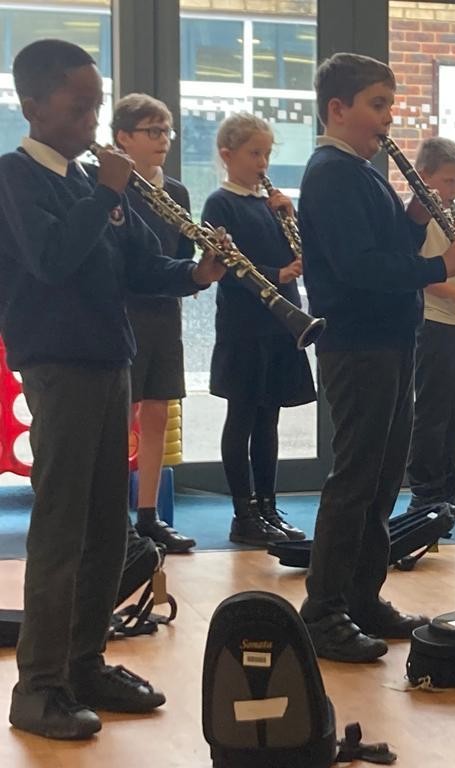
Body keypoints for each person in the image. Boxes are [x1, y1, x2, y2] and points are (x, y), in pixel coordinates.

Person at [0, 39, 224, 740]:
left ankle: (85, 664)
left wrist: (196, 272)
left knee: (107, 528)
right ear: (33, 107)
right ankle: (38, 688)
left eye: (96, 106)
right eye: (79, 107)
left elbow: (139, 269)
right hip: (59, 368)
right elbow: (52, 259)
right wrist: (106, 193)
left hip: (110, 362)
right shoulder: (16, 177)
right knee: (62, 529)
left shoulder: (87, 181)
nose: (92, 120)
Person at [297, 52, 455, 662]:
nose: (388, 117)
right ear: (337, 108)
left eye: (390, 105)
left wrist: (415, 217)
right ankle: (323, 611)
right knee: (355, 480)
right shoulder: (332, 173)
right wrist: (440, 265)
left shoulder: (360, 171)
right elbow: (360, 268)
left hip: (389, 341)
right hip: (358, 344)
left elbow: (386, 245)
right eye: (377, 105)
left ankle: (362, 596)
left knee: (381, 479)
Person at [202, 112, 317, 545]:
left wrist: (291, 217)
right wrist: (277, 274)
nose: (263, 163)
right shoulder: (220, 203)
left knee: (269, 418)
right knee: (242, 416)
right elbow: (228, 266)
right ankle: (243, 512)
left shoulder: (270, 205)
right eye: (254, 153)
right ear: (227, 155)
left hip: (279, 325)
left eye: (267, 153)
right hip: (244, 327)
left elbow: (301, 252)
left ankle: (268, 505)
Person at [111, 92, 197, 553]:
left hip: (165, 311)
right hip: (125, 312)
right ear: (123, 137)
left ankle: (148, 515)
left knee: (159, 410)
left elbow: (182, 255)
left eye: (167, 131)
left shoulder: (177, 192)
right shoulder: (114, 188)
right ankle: (114, 518)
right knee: (123, 413)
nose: (163, 140)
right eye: (152, 132)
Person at [406, 137, 455, 515]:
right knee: (433, 410)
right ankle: (426, 489)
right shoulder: (418, 219)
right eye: (448, 180)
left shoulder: (453, 216)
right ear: (424, 177)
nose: (454, 189)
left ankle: (454, 483)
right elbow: (421, 276)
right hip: (434, 321)